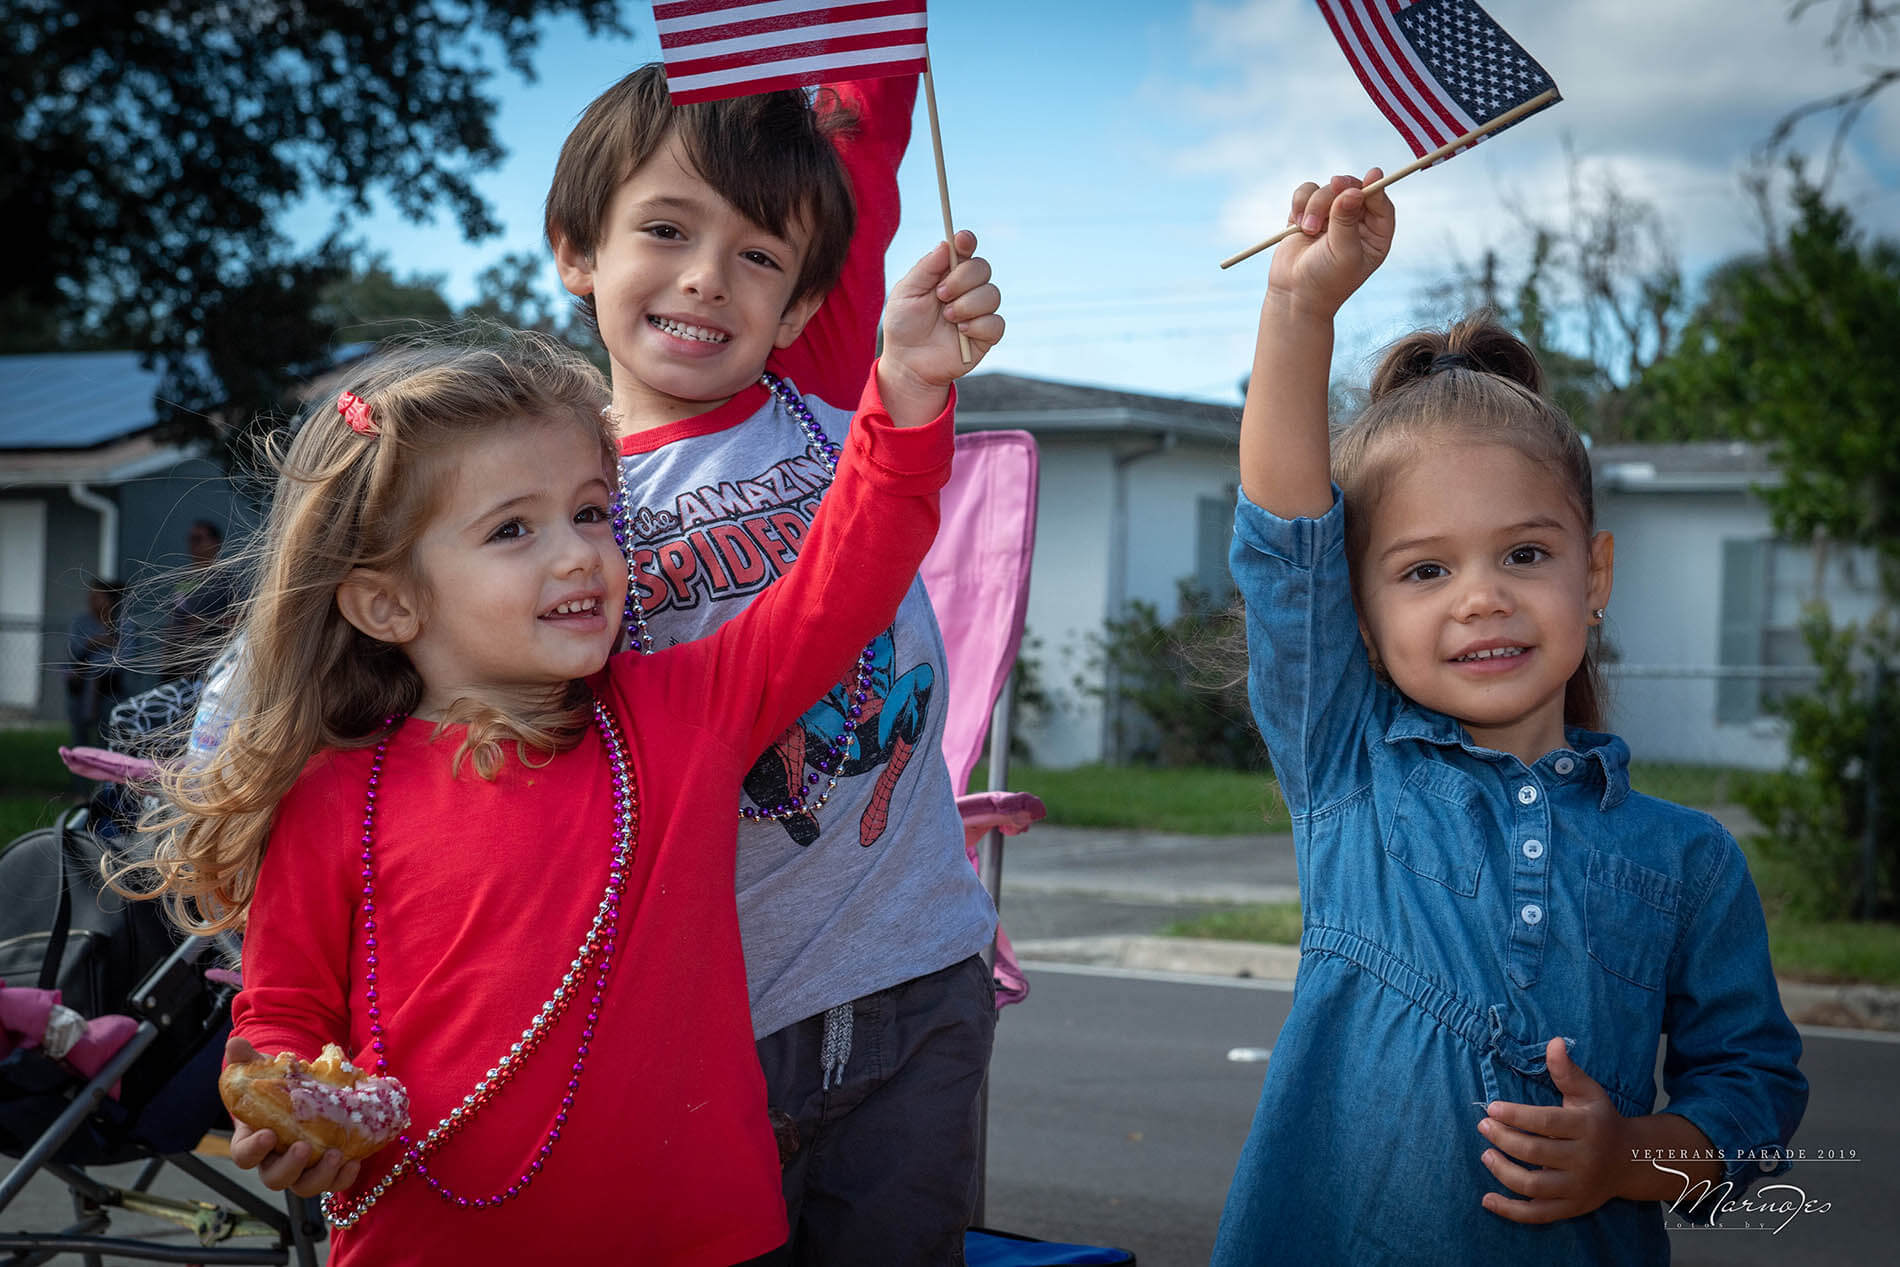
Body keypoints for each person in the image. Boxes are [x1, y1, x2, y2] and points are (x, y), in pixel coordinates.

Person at [124, 233, 999, 1266]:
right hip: (421, 1240)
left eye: (591, 511)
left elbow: (847, 574)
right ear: (386, 600)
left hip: (706, 1244)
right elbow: (283, 1011)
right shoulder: (328, 796)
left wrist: (904, 387)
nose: (582, 549)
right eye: (513, 530)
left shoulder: (681, 718)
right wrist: (285, 1109)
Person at [1211, 172, 1807, 1264]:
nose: (1480, 596)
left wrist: (1628, 1157)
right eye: (1424, 568)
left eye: (1524, 554)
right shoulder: (1347, 766)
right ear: (1357, 610)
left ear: (1595, 573)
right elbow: (1283, 543)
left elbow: (1755, 1094)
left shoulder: (1689, 859)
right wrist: (1299, 310)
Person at [545, 67, 1003, 1260]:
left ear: (802, 308)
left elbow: (862, 103)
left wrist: (911, 375)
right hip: (687, 1013)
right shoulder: (547, 503)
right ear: (574, 251)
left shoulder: (841, 415)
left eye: (759, 256)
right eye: (664, 229)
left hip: (914, 975)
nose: (707, 275)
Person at [64, 576, 124, 750]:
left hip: (110, 690)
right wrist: (102, 643)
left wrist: (93, 645)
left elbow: (125, 657)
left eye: (97, 597)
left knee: (107, 739)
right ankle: (79, 776)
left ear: (110, 600)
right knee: (79, 741)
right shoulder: (80, 622)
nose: (91, 601)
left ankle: (104, 777)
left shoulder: (123, 624)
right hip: (81, 688)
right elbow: (75, 651)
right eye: (90, 596)